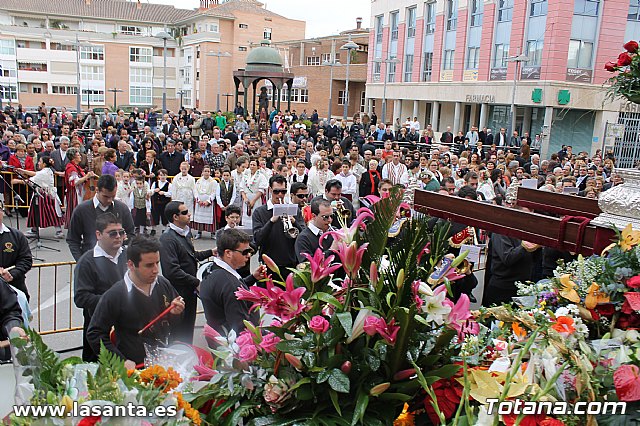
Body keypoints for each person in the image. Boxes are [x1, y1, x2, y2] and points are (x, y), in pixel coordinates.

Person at [87, 236, 185, 368]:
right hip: (133, 368)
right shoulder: (115, 295)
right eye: (149, 265)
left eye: (157, 263)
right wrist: (120, 362)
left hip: (163, 362)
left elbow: (174, 324)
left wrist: (175, 313)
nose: (156, 270)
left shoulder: (163, 284)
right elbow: (95, 333)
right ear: (131, 265)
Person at [74, 213, 128, 361]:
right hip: (99, 329)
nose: (118, 236)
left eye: (121, 232)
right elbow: (81, 298)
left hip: (126, 329)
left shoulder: (128, 255)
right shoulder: (87, 261)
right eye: (112, 233)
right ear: (98, 234)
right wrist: (112, 302)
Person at [159, 201, 214, 344]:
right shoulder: (167, 238)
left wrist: (211, 252)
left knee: (188, 327)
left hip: (189, 290)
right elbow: (172, 271)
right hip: (178, 292)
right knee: (179, 331)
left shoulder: (185, 232)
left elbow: (191, 255)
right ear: (175, 217)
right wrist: (196, 282)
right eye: (184, 212)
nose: (189, 214)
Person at [200, 228, 267, 334]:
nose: (249, 255)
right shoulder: (229, 284)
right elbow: (241, 327)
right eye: (245, 252)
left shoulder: (213, 270)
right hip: (235, 345)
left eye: (250, 251)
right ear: (228, 253)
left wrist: (252, 278)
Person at [67, 174, 135, 261]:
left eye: (112, 196)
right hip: (91, 263)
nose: (109, 200)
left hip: (117, 263)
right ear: (97, 190)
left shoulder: (122, 208)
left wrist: (121, 242)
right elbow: (73, 240)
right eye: (106, 196)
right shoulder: (81, 210)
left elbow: (131, 235)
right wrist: (81, 261)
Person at [252, 175, 305, 272]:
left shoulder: (294, 210)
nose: (280, 195)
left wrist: (294, 221)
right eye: (276, 191)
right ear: (270, 190)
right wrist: (272, 221)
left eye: (283, 191)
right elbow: (258, 239)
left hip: (290, 264)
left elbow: (304, 236)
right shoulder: (259, 212)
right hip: (268, 265)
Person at [17, 154, 64, 238]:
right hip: (45, 194)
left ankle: (58, 231)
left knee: (50, 211)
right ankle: (35, 229)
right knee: (38, 211)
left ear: (44, 164)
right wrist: (23, 171)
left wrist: (17, 181)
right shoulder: (47, 170)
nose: (38, 163)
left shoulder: (44, 172)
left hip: (45, 194)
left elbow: (32, 180)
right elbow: (35, 174)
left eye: (40, 161)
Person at [0, 203, 33, 300]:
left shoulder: (16, 236)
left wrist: (12, 274)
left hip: (14, 291)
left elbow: (26, 260)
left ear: (2, 212)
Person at [295, 198, 335, 264]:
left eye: (332, 216)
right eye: (325, 217)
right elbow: (308, 266)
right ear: (314, 216)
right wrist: (331, 250)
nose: (330, 220)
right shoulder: (303, 238)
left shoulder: (334, 231)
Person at [63, 148, 96, 226]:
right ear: (74, 157)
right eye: (78, 155)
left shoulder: (76, 166)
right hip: (75, 193)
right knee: (76, 210)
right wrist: (87, 176)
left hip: (80, 191)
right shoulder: (71, 168)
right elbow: (74, 182)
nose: (80, 156)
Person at [192, 166, 218, 239]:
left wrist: (208, 201)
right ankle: (199, 232)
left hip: (208, 203)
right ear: (202, 172)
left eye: (208, 171)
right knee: (199, 218)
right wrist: (198, 200)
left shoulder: (213, 182)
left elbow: (214, 192)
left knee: (210, 218)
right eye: (205, 171)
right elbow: (195, 191)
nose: (206, 173)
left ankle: (212, 233)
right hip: (199, 203)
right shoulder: (198, 181)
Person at [150, 169, 171, 236]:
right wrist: (154, 190)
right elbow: (150, 192)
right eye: (161, 175)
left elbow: (171, 194)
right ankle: (153, 229)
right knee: (155, 216)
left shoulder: (169, 184)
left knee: (164, 216)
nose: (162, 177)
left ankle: (164, 229)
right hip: (156, 203)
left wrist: (164, 193)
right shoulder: (155, 183)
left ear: (166, 176)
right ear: (159, 176)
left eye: (164, 175)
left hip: (164, 203)